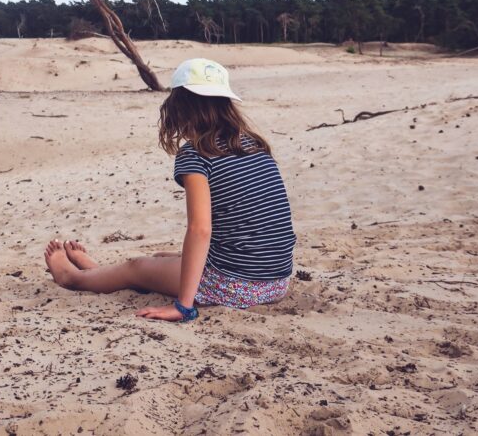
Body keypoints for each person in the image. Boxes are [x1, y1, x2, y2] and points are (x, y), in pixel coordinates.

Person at [43, 58, 296, 322]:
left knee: (137, 266)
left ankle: (72, 277)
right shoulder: (254, 144)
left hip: (234, 286)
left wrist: (184, 307)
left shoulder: (197, 154)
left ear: (178, 106)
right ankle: (101, 272)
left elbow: (200, 229)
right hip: (277, 283)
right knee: (162, 258)